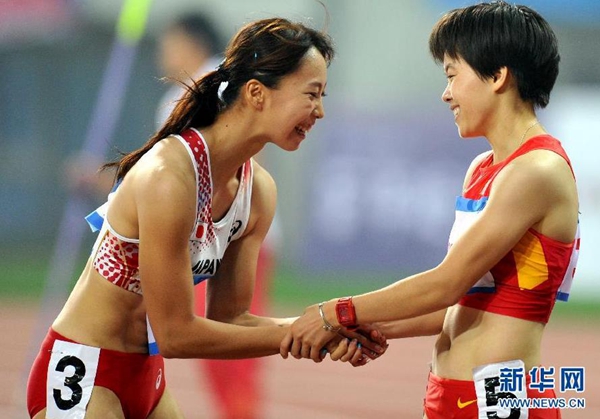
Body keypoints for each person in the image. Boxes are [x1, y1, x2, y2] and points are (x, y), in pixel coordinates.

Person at [27, 17, 385, 419]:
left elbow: (231, 319)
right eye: (312, 94)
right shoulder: (170, 176)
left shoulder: (257, 192)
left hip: (147, 377)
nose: (320, 111)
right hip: (85, 369)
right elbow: (175, 335)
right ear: (257, 93)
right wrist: (304, 331)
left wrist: (324, 325)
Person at [281, 2, 580, 418]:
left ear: (498, 76)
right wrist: (369, 326)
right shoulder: (484, 169)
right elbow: (460, 304)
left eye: (452, 75)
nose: (446, 93)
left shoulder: (538, 169)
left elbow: (446, 284)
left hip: (502, 397)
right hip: (448, 393)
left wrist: (336, 312)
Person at [156, 12, 280, 419]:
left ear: (189, 42)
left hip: (230, 235)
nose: (162, 53)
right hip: (211, 236)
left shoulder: (213, 84)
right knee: (219, 345)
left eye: (168, 43)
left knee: (226, 344)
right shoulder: (187, 92)